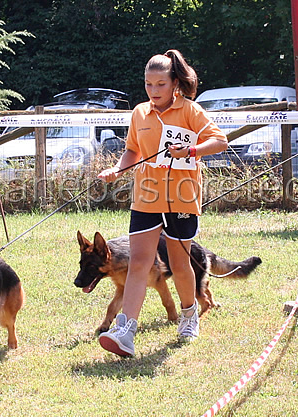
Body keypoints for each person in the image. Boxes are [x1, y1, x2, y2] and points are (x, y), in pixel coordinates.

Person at [96, 49, 228, 356]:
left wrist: (192, 151)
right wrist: (118, 169)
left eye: (160, 85)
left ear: (174, 84)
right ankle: (125, 330)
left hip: (182, 198)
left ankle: (189, 314)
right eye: (148, 85)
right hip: (146, 199)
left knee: (180, 265)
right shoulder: (139, 113)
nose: (153, 92)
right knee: (140, 263)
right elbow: (132, 151)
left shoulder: (191, 111)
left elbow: (219, 141)